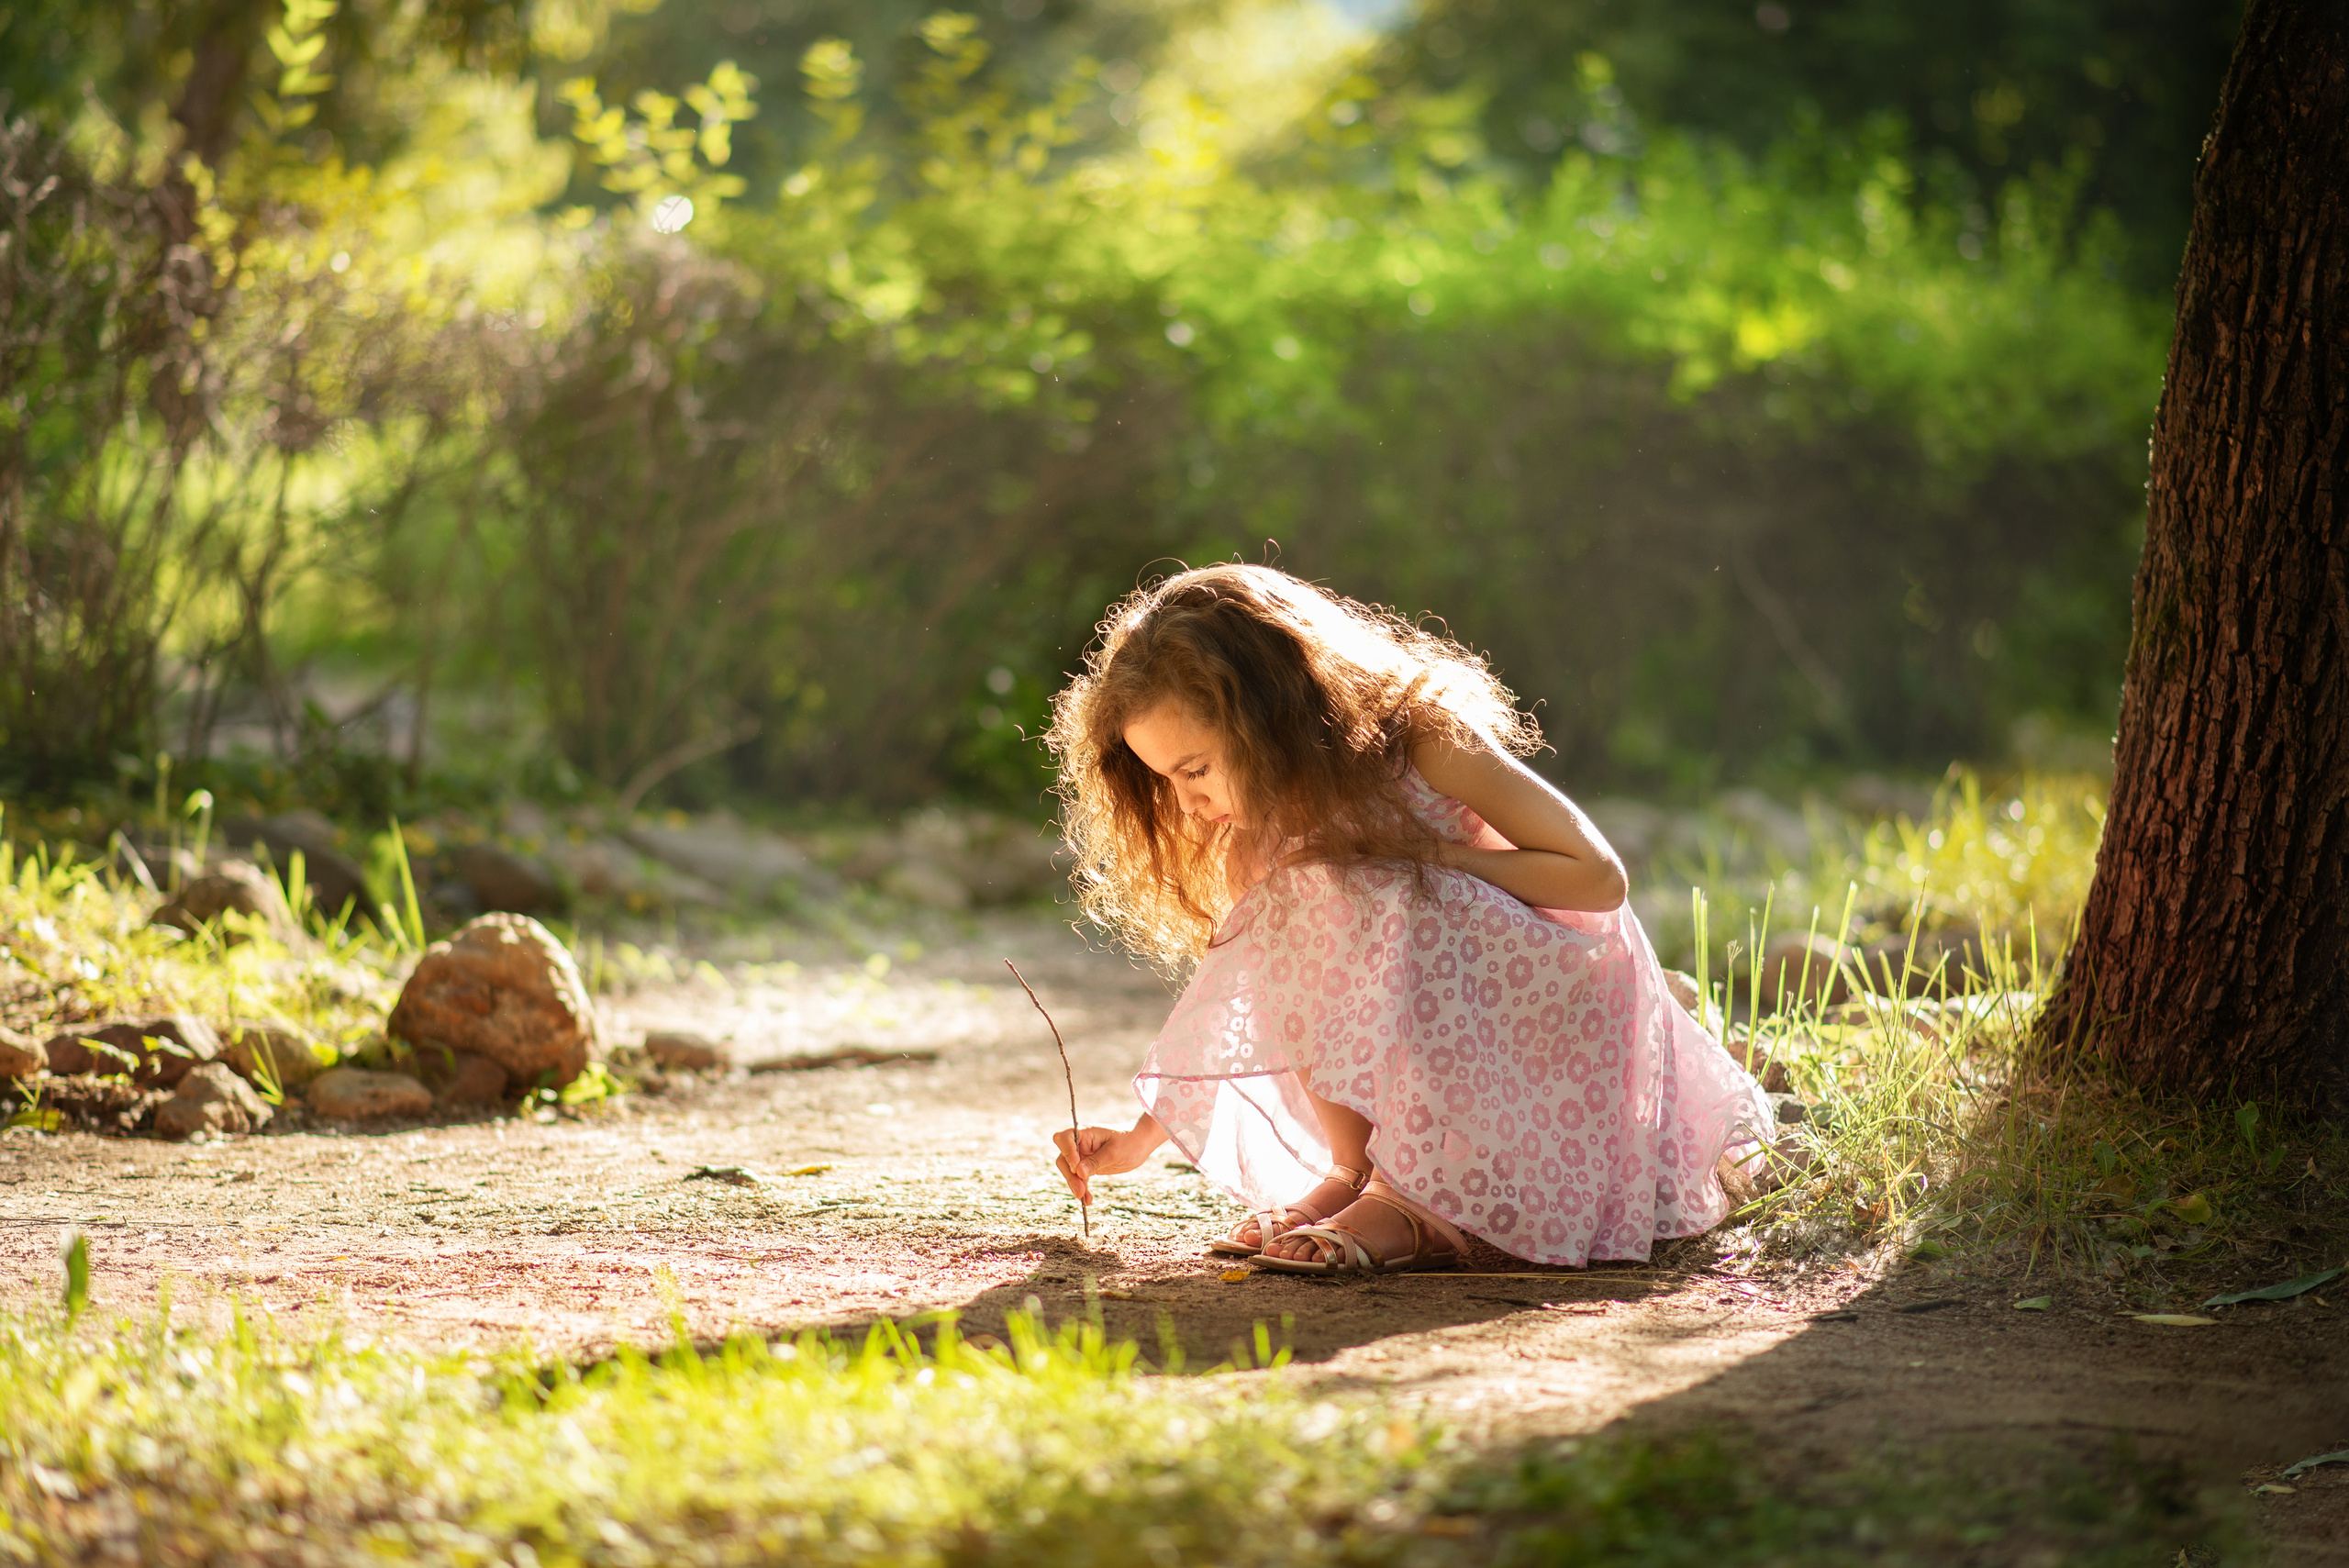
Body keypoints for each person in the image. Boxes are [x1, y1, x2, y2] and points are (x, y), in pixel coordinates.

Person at [1045, 564, 1770, 1273]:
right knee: (1296, 899)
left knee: (1389, 889)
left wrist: (1429, 856)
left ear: (1266, 717)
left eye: (1195, 769)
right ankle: (1353, 1172)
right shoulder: (1265, 839)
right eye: (1166, 780)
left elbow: (1600, 879)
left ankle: (1416, 1198)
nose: (1188, 805)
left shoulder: (1418, 741)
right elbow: (1237, 993)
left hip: (1551, 1026)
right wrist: (1143, 1138)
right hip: (1463, 1029)